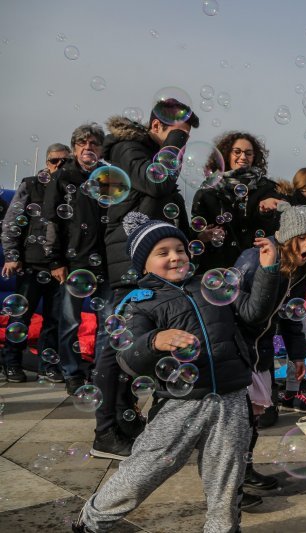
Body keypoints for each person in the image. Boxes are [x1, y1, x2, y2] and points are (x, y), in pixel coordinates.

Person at [72, 211, 277, 532]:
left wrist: (268, 271)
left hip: (231, 397)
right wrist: (155, 341)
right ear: (143, 264)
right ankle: (93, 518)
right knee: (146, 468)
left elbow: (255, 314)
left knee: (227, 475)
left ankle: (223, 528)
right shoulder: (141, 302)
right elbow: (129, 357)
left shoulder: (212, 285)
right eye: (162, 252)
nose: (175, 257)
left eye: (179, 250)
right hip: (180, 403)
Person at [95, 98, 198, 460]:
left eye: (185, 139)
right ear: (156, 127)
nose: (181, 146)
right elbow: (153, 185)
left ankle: (126, 417)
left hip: (150, 261)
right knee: (115, 345)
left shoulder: (155, 158)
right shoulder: (128, 148)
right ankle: (105, 431)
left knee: (137, 342)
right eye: (177, 136)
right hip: (128, 259)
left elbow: (165, 203)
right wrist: (172, 145)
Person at [233, 202, 306, 503]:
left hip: (261, 353)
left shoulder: (300, 272)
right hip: (235, 351)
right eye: (303, 238)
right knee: (235, 422)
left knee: (253, 420)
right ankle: (228, 486)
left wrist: (298, 356)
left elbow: (290, 316)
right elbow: (234, 308)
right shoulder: (254, 259)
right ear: (287, 235)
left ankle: (243, 471)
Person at [43, 124, 115, 396]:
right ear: (74, 149)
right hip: (74, 264)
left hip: (107, 263)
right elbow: (51, 221)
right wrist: (55, 261)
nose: (88, 148)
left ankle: (101, 372)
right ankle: (72, 373)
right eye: (82, 144)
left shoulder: (109, 176)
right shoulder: (63, 177)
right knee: (70, 322)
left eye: (94, 144)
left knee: (107, 322)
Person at [1, 143, 70, 384]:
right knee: (21, 317)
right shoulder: (30, 184)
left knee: (54, 318)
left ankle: (47, 366)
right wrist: (11, 255)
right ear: (46, 163)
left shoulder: (73, 189)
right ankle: (11, 362)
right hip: (31, 264)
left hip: (61, 265)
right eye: (54, 161)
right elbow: (11, 222)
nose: (59, 166)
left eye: (65, 161)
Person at [191, 131, 273, 274]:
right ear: (226, 154)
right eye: (237, 152)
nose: (243, 157)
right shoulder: (208, 191)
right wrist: (203, 236)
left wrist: (265, 213)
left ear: (254, 157)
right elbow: (195, 228)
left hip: (254, 267)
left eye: (248, 153)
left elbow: (274, 229)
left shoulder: (267, 188)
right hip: (216, 267)